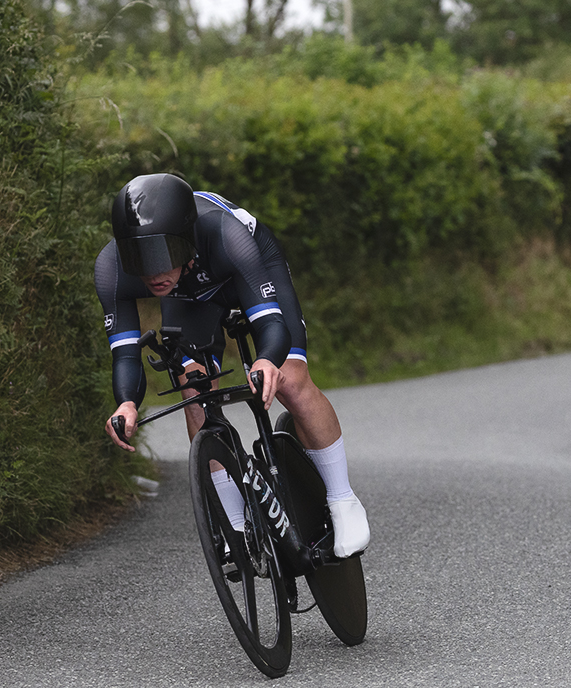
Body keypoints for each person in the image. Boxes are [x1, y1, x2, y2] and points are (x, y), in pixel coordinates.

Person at [94, 173, 369, 558]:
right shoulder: (112, 268)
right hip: (189, 297)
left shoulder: (227, 234)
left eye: (164, 257)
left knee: (288, 377)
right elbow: (125, 354)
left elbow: (271, 326)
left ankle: (343, 500)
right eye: (141, 260)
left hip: (247, 271)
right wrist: (126, 402)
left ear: (186, 243)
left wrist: (266, 360)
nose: (154, 273)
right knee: (193, 388)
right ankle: (234, 523)